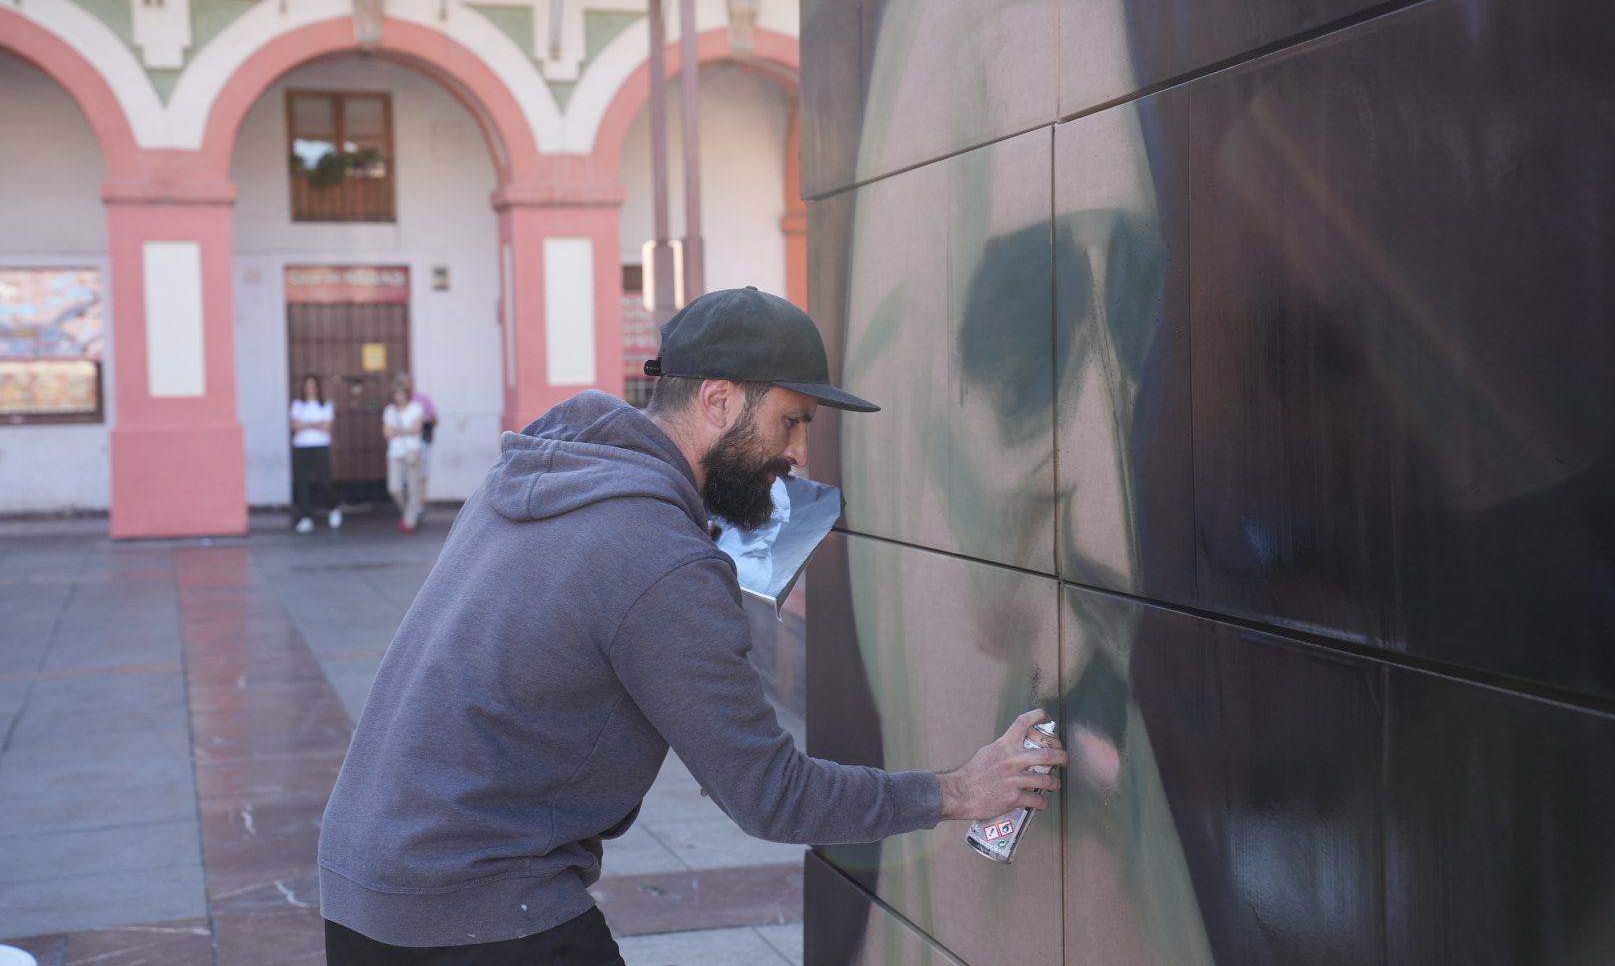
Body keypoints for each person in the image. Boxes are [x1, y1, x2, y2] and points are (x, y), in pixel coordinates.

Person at [318, 287, 1067, 963]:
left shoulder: (545, 474)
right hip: (477, 909)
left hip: (364, 883)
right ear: (717, 400)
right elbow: (771, 795)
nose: (800, 452)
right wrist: (961, 792)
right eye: (790, 421)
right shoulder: (659, 559)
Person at [289, 373, 340, 533]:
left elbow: (327, 426)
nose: (310, 389)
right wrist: (316, 424)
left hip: (320, 446)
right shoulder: (298, 405)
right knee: (302, 482)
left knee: (325, 480)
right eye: (307, 386)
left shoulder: (325, 405)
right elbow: (295, 425)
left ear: (318, 388)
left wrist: (307, 424)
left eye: (313, 386)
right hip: (301, 447)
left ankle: (332, 508)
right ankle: (306, 517)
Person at [381, 382, 425, 534]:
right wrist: (406, 430)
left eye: (402, 393)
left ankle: (409, 521)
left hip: (413, 450)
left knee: (413, 487)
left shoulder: (416, 408)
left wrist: (397, 430)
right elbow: (387, 433)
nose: (399, 397)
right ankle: (410, 512)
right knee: (394, 488)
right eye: (396, 393)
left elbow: (417, 429)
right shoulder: (389, 410)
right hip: (395, 452)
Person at [395, 372, 439, 514]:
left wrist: (423, 420)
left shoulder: (422, 400)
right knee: (402, 477)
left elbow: (434, 419)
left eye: (408, 382)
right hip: (402, 445)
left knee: (421, 475)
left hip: (421, 443)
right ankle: (408, 507)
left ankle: (419, 506)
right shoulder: (395, 402)